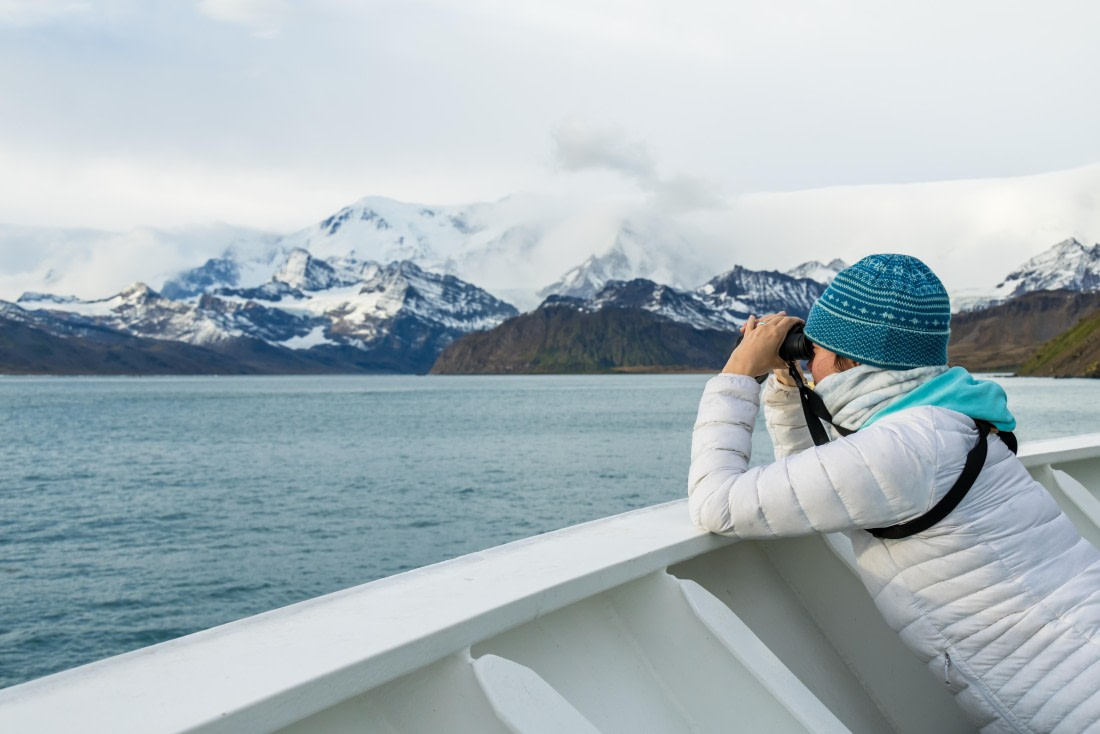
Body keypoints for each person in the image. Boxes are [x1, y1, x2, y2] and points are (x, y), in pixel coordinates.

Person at [688, 253, 1100, 733]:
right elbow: (815, 477)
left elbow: (715, 503)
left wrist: (738, 373)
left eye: (814, 350)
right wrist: (786, 386)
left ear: (849, 358)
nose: (810, 359)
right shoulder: (944, 424)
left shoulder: (903, 451)